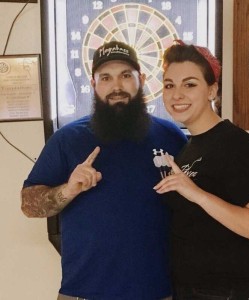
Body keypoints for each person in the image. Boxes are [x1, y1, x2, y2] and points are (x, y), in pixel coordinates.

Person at [21, 40, 187, 300]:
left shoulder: (171, 136)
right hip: (82, 294)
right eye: (106, 78)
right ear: (93, 84)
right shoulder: (67, 139)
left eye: (125, 76)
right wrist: (68, 189)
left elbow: (198, 203)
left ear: (141, 79)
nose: (117, 87)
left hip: (156, 292)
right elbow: (29, 205)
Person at [154, 40, 249, 300]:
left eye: (189, 84)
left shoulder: (238, 144)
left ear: (212, 90)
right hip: (187, 290)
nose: (177, 94)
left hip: (228, 293)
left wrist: (197, 194)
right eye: (169, 85)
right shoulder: (187, 148)